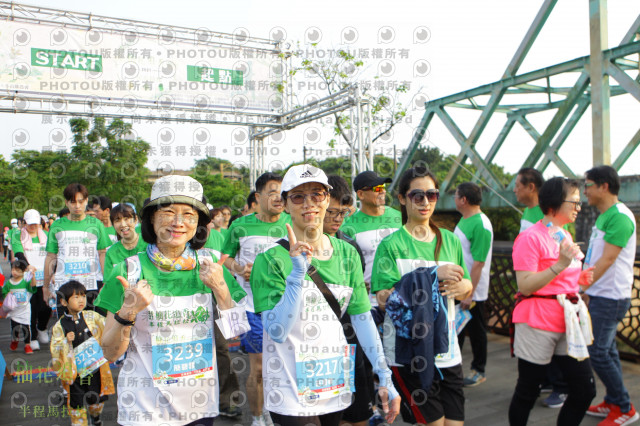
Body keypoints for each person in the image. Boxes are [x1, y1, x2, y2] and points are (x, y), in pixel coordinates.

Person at [251, 164, 401, 426]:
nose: (309, 203)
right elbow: (276, 331)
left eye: (317, 194)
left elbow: (362, 318)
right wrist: (296, 277)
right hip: (289, 387)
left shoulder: (347, 252)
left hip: (332, 378)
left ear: (328, 198)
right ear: (285, 204)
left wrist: (384, 374)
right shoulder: (269, 259)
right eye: (298, 196)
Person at [96, 175, 249, 426]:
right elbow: (110, 353)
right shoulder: (127, 271)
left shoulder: (211, 267)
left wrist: (220, 288)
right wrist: (129, 311)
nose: (178, 223)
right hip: (145, 410)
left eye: (189, 214)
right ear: (151, 218)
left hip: (199, 407)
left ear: (198, 223)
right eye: (168, 212)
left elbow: (236, 332)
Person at [371, 166, 473, 426]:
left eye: (432, 194)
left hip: (448, 350)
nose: (425, 201)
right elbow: (383, 299)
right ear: (402, 199)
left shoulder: (449, 240)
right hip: (409, 353)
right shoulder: (390, 245)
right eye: (417, 195)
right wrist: (432, 275)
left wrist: (465, 287)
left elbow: (467, 286)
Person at [508, 177, 596, 426]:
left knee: (584, 389)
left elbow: (561, 277)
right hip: (537, 320)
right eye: (574, 202)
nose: (579, 207)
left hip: (568, 320)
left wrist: (578, 278)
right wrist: (559, 265)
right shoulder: (530, 238)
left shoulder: (564, 235)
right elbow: (525, 285)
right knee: (528, 390)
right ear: (555, 202)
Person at [222, 171, 290, 426]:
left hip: (286, 307)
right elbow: (225, 258)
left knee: (283, 365)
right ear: (258, 197)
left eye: (282, 193)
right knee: (259, 367)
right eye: (272, 193)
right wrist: (239, 269)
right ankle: (258, 417)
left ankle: (278, 411)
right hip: (251, 307)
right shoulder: (240, 226)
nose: (279, 198)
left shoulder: (292, 223)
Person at [582, 166, 639, 426]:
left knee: (597, 352)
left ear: (604, 186)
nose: (585, 191)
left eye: (588, 185)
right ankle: (614, 400)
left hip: (611, 297)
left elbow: (607, 259)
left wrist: (581, 286)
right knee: (609, 351)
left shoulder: (620, 217)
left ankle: (625, 408)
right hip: (600, 294)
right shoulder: (606, 216)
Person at [322, 175, 379, 426]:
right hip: (315, 349)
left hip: (350, 340)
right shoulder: (293, 249)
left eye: (343, 213)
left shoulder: (350, 247)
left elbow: (358, 303)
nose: (338, 219)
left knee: (358, 414)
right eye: (332, 212)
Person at [514, 168, 569, 406]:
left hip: (552, 298)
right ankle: (546, 382)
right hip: (534, 295)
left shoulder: (551, 220)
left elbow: (561, 256)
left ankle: (560, 386)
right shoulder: (531, 215)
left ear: (531, 187)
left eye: (518, 185)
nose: (514, 190)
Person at [50, 280, 115, 426]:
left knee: (96, 400)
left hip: (94, 368)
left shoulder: (92, 317)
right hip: (75, 372)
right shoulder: (59, 326)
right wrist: (66, 342)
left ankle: (95, 417)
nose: (81, 300)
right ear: (64, 302)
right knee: (76, 403)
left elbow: (108, 326)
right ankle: (79, 423)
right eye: (76, 297)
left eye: (83, 296)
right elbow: (55, 348)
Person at [44, 183, 110, 315]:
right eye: (73, 202)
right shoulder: (57, 225)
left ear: (86, 201)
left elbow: (102, 254)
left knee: (90, 324)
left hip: (90, 285)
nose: (77, 206)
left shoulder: (96, 224)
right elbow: (51, 256)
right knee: (65, 324)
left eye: (81, 201)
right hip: (64, 285)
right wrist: (45, 286)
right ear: (66, 203)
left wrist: (106, 282)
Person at [453, 182, 493, 387]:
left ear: (464, 200)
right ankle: (454, 370)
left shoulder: (481, 224)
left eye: (456, 195)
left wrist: (470, 293)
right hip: (459, 286)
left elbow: (479, 263)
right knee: (457, 330)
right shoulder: (465, 219)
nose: (454, 198)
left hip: (472, 290)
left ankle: (479, 370)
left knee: (477, 332)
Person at [342, 171, 402, 305]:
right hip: (369, 303)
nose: (383, 191)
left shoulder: (399, 218)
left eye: (383, 187)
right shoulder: (348, 228)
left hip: (401, 299)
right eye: (377, 188)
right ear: (361, 194)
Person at [11, 209, 50, 351]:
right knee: (32, 308)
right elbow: (19, 254)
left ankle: (42, 328)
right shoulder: (18, 236)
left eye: (35, 223)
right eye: (30, 223)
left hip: (44, 277)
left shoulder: (46, 235)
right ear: (25, 223)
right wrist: (27, 266)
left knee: (46, 307)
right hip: (28, 277)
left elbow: (52, 253)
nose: (33, 226)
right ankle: (32, 337)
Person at [103, 203, 147, 281]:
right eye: (117, 220)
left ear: (135, 220)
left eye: (126, 219)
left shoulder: (149, 244)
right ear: (113, 224)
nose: (123, 224)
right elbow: (108, 283)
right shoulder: (111, 253)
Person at [4, 259, 37, 353]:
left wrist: (33, 277)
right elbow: (4, 292)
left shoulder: (25, 282)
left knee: (26, 327)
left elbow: (33, 287)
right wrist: (7, 295)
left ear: (23, 272)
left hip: (24, 309)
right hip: (14, 310)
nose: (14, 272)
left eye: (17, 270)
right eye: (13, 269)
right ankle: (15, 340)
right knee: (15, 327)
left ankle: (27, 345)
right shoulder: (9, 283)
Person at [513, 168, 545, 233]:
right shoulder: (526, 210)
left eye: (517, 186)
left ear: (531, 187)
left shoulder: (548, 214)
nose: (514, 190)